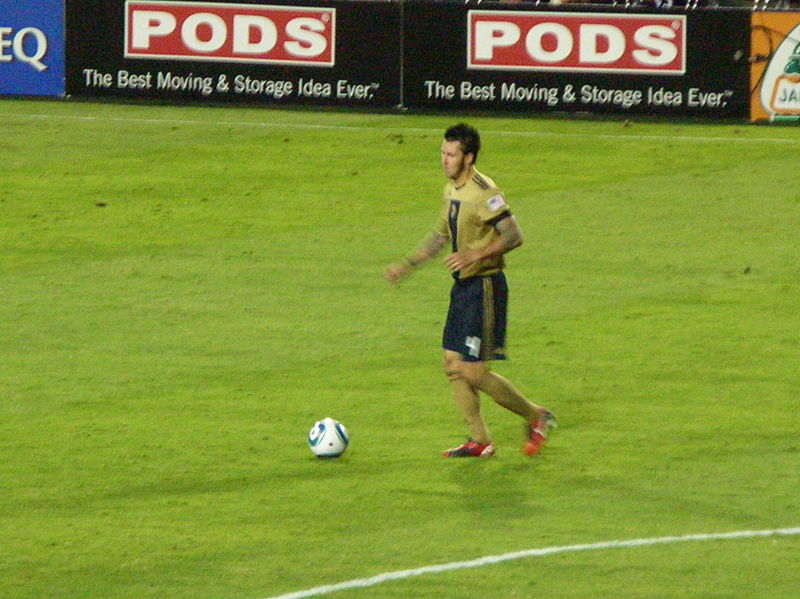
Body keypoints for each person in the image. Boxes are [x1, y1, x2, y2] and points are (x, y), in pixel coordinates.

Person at [385, 123, 555, 458]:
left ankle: (537, 416)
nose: (444, 160)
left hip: (485, 287)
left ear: (469, 157)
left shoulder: (485, 192)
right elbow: (439, 236)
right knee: (452, 363)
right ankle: (480, 441)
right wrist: (407, 265)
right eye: (442, 153)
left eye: (451, 155)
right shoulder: (451, 190)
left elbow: (513, 235)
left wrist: (476, 254)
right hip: (462, 288)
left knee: (473, 371)